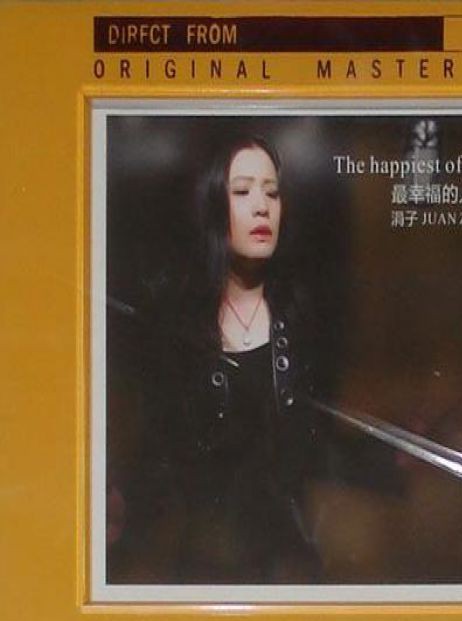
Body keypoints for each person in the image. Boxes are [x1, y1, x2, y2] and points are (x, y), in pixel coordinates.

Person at [110, 134, 323, 584]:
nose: (262, 207)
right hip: (194, 560)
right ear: (211, 205)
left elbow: (321, 449)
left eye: (272, 193)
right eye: (243, 191)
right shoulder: (174, 324)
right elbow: (151, 451)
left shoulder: (304, 318)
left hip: (287, 562)